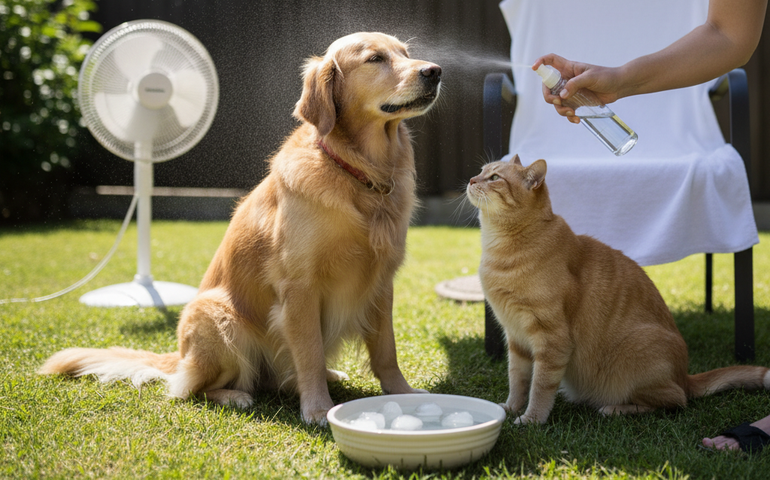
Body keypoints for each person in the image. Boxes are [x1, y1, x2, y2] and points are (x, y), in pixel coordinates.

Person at [533, 0, 770, 453]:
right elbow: (727, 32)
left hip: (642, 374)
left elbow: (730, 34)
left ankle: (660, 390)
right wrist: (619, 80)